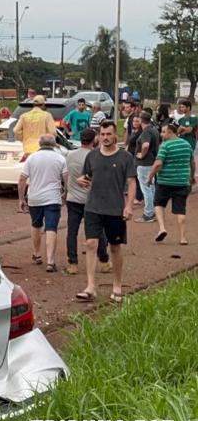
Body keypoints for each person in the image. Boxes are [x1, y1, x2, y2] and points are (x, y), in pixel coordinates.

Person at [74, 121, 136, 303]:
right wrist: (81, 180)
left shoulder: (125, 157)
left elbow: (132, 182)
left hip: (115, 208)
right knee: (91, 244)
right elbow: (87, 176)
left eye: (109, 134)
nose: (105, 138)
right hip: (93, 207)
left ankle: (117, 285)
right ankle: (90, 287)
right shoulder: (92, 156)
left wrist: (129, 206)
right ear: (98, 136)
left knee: (114, 247)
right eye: (102, 134)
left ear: (115, 135)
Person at [64, 128, 111, 276]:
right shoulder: (97, 156)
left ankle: (73, 263)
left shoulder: (70, 155)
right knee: (98, 232)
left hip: (72, 198)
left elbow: (66, 174)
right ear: (94, 140)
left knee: (72, 231)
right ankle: (104, 261)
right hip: (92, 200)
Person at [18, 135, 68, 272]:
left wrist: (21, 198)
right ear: (54, 144)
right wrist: (65, 193)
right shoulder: (60, 158)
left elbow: (22, 179)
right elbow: (66, 178)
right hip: (53, 197)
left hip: (35, 198)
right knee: (51, 228)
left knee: (36, 224)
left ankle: (37, 254)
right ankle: (51, 261)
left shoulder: (32, 158)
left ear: (40, 144)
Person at [148, 122, 196, 245]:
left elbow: (158, 164)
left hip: (165, 181)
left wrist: (150, 177)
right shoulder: (186, 145)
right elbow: (192, 163)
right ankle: (183, 238)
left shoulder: (165, 146)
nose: (161, 134)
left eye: (163, 132)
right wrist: (191, 177)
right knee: (180, 210)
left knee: (158, 204)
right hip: (182, 182)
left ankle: (162, 228)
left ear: (170, 132)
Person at [133, 112, 161, 223]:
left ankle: (148, 214)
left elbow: (145, 145)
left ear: (141, 120)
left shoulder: (146, 132)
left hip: (145, 163)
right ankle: (153, 211)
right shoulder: (153, 129)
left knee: (146, 189)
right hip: (152, 162)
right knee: (151, 187)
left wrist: (141, 154)